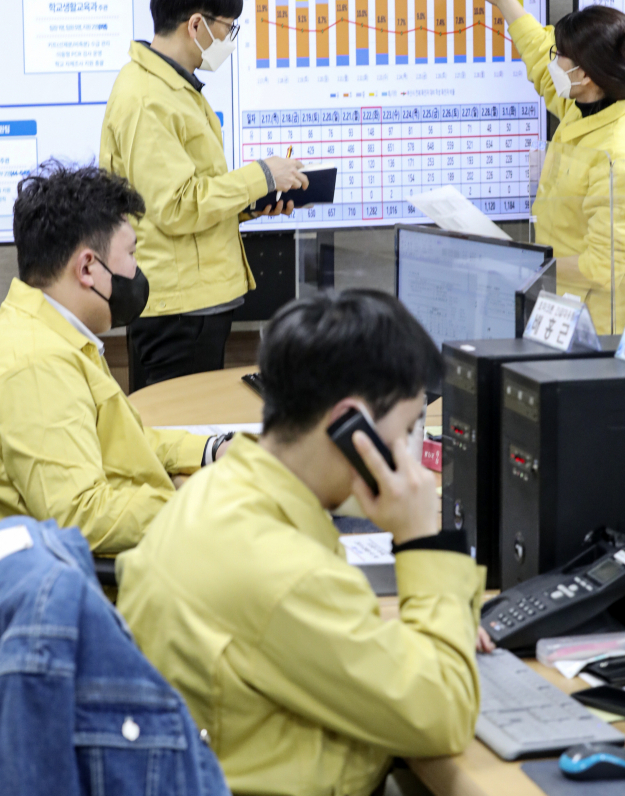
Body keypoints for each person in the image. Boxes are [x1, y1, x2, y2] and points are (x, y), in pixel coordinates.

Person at [117, 290, 486, 796]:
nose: (411, 456)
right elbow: (444, 712)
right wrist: (422, 540)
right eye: (405, 431)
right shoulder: (287, 575)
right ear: (350, 426)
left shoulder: (213, 492)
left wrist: (438, 618)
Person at [100, 0, 309, 388]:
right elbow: (176, 207)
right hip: (177, 310)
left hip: (191, 303)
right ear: (196, 25)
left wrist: (252, 203)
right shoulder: (147, 98)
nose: (229, 40)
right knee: (177, 426)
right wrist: (262, 175)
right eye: (228, 28)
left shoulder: (171, 86)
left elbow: (191, 191)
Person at [0, 163, 228, 555]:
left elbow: (120, 442)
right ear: (88, 268)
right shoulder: (39, 364)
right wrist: (199, 503)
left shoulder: (52, 329)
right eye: (132, 253)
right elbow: (80, 516)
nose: (137, 270)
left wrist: (213, 450)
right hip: (98, 578)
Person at [461, 0, 625, 333]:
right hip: (563, 302)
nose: (553, 61)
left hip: (600, 327)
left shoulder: (622, 156)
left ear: (585, 73)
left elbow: (603, 265)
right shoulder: (589, 101)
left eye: (561, 56)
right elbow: (540, 57)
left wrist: (523, 266)